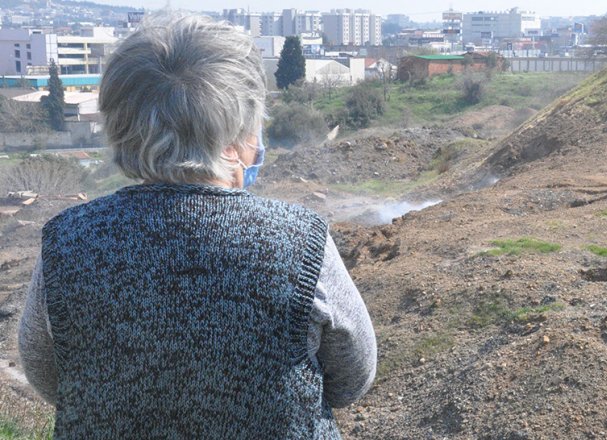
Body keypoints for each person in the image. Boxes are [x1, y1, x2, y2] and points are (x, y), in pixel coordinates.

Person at [17, 13, 376, 439]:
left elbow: (48, 377)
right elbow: (352, 380)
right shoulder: (301, 242)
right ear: (239, 130)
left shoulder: (67, 243)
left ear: (120, 125)